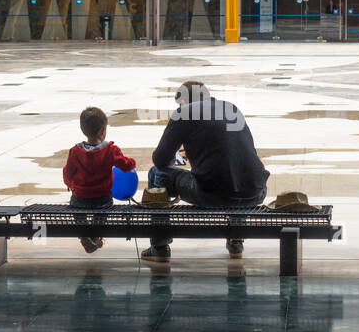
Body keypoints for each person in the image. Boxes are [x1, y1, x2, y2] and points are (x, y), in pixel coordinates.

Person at [141, 81, 269, 263]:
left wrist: (178, 154)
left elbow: (160, 160)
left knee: (157, 173)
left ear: (183, 102)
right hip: (256, 191)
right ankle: (235, 240)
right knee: (236, 177)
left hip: (213, 195)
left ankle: (159, 245)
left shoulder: (183, 113)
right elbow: (239, 153)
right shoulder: (230, 108)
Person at [63, 106, 136, 253]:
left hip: (80, 198)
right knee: (102, 211)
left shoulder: (75, 151)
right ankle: (96, 237)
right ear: (103, 130)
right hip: (102, 199)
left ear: (83, 129)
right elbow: (125, 165)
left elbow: (67, 172)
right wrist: (132, 162)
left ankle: (84, 234)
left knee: (77, 210)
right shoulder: (110, 150)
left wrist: (70, 184)